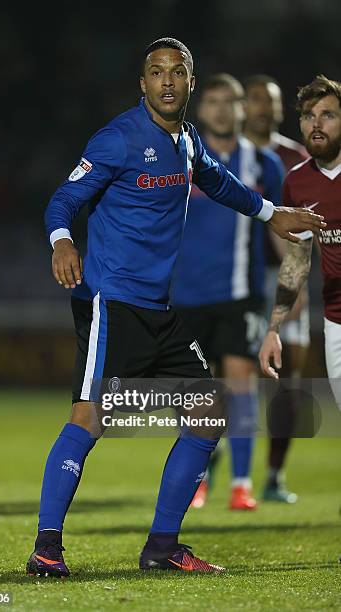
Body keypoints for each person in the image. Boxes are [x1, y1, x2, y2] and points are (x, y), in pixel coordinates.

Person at [26, 38, 325, 578]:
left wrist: (269, 212)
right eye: (156, 72)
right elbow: (64, 199)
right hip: (110, 303)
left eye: (177, 73)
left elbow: (217, 179)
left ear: (190, 82)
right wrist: (62, 241)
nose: (167, 81)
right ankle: (47, 547)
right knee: (89, 417)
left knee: (210, 412)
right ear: (143, 84)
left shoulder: (186, 141)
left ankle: (162, 547)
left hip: (158, 312)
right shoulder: (118, 138)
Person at [171, 74, 284, 511]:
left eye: (230, 101)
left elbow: (278, 229)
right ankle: (198, 480)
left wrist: (292, 291)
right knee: (196, 394)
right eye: (213, 101)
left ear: (243, 109)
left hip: (240, 294)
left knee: (240, 384)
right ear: (201, 109)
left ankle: (241, 483)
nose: (221, 109)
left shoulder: (264, 163)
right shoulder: (176, 157)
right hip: (183, 295)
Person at [243, 75, 310, 503]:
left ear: (281, 109)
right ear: (242, 107)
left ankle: (273, 476)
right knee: (228, 376)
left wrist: (298, 280)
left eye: (272, 102)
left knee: (289, 381)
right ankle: (213, 469)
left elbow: (311, 223)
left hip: (287, 276)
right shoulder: (222, 156)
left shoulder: (296, 157)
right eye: (255, 101)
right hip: (237, 281)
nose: (264, 109)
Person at [260, 75, 341, 413]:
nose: (316, 124)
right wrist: (274, 328)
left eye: (328, 115)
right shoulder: (297, 181)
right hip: (336, 321)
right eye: (308, 116)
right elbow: (296, 259)